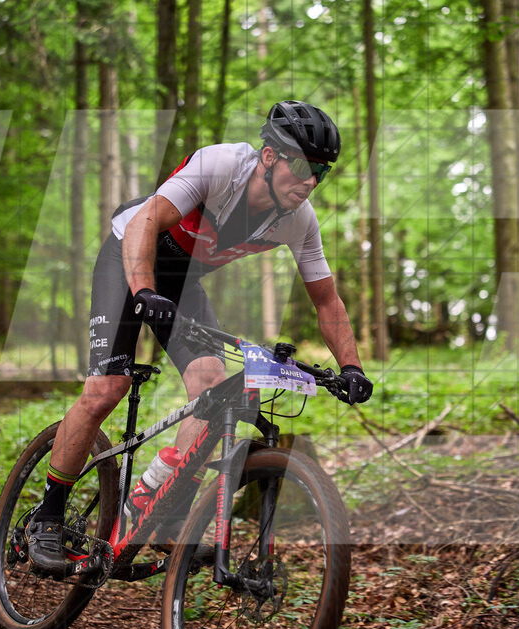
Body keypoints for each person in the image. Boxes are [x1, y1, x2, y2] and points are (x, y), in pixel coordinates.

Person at [25, 100, 374, 573]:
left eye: (321, 172)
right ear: (269, 156)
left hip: (180, 283)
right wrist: (143, 290)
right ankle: (47, 517)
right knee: (107, 388)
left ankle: (162, 514)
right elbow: (146, 222)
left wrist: (351, 367)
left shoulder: (299, 219)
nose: (310, 181)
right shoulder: (221, 165)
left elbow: (327, 301)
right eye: (301, 167)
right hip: (129, 254)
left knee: (212, 384)